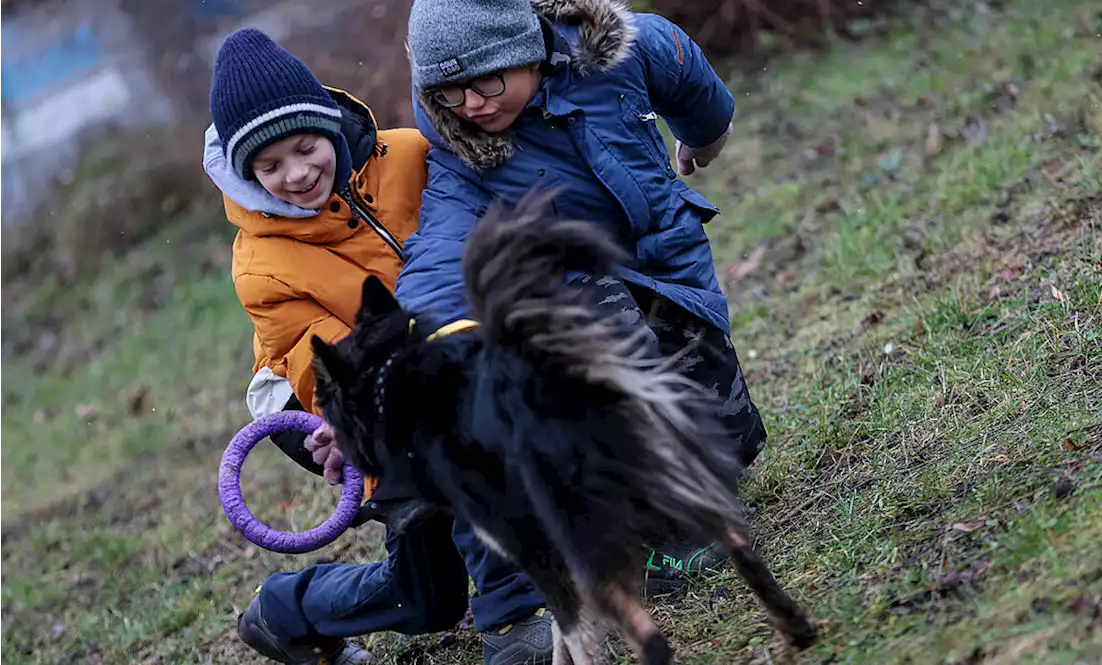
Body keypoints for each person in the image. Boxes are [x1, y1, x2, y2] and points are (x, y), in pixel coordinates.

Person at [203, 28, 554, 665]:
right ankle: (288, 613)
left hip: (447, 350)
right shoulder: (262, 265)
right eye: (269, 166)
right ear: (246, 173)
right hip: (329, 402)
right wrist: (347, 420)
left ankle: (530, 593)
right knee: (428, 596)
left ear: (329, 127)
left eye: (306, 148)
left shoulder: (413, 155)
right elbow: (326, 360)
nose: (297, 174)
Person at [397, 0, 767, 598]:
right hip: (568, 284)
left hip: (664, 254)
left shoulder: (620, 51)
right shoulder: (461, 156)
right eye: (449, 92)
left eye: (486, 81)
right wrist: (424, 334)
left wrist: (705, 136)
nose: (471, 105)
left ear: (525, 50)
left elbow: (685, 73)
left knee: (727, 433)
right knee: (622, 364)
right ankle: (653, 539)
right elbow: (439, 249)